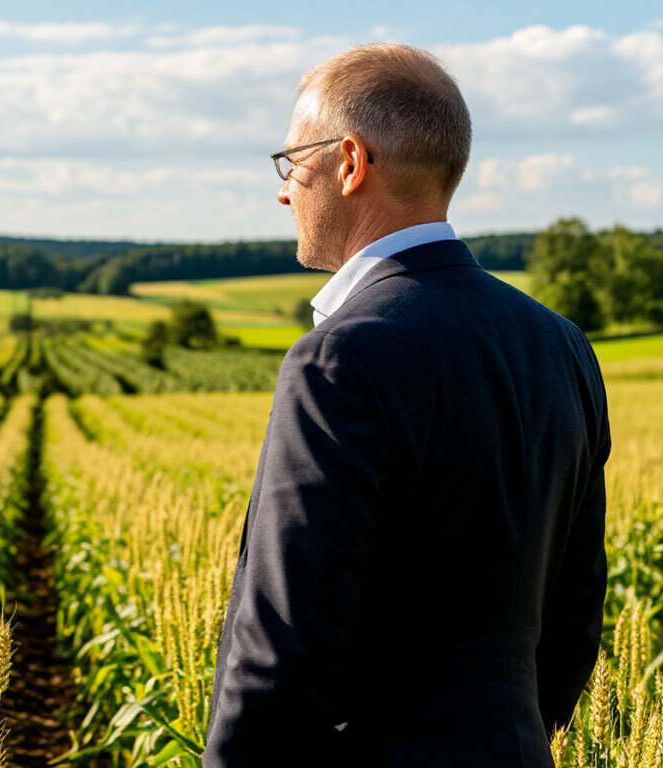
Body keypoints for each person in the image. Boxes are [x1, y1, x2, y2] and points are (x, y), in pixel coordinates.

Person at [203, 42, 610, 767]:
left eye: (292, 161)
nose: (284, 190)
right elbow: (574, 618)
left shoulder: (341, 357)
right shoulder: (562, 345)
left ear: (350, 162)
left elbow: (279, 657)